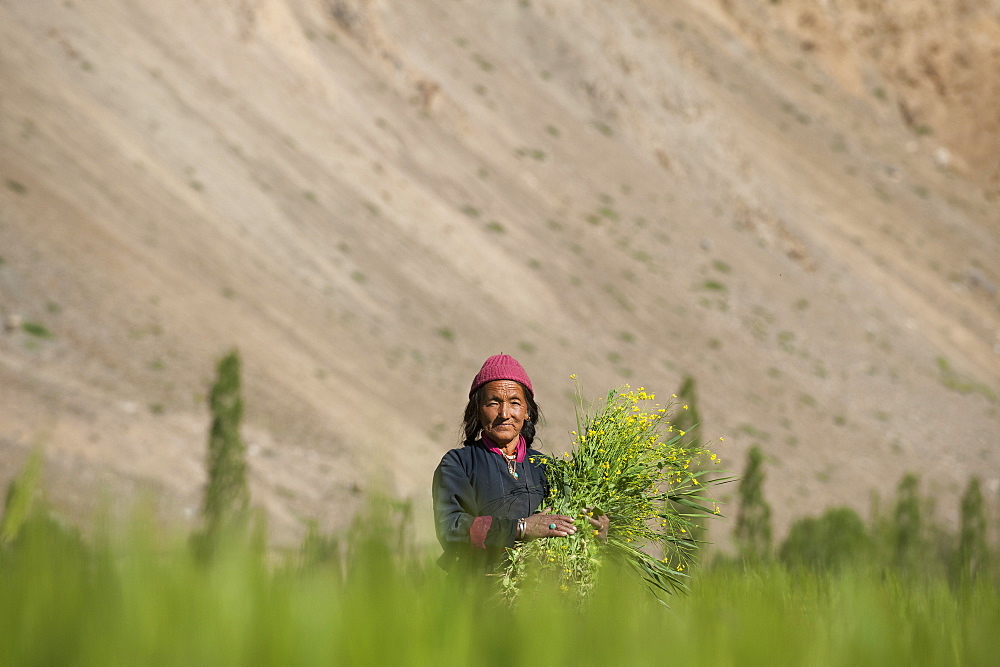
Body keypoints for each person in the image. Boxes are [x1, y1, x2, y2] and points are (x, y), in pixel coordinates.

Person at [432, 354, 607, 575]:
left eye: (514, 403)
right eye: (493, 403)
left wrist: (595, 531)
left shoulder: (550, 469)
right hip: (475, 595)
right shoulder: (459, 463)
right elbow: (451, 527)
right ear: (478, 410)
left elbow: (567, 531)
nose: (504, 414)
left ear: (527, 412)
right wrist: (522, 528)